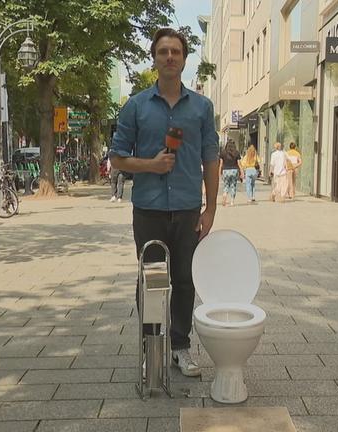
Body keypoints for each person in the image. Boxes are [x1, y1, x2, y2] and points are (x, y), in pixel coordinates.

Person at [109, 27, 219, 377]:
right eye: (163, 52)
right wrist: (150, 165)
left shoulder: (202, 107)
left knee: (185, 280)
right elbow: (116, 158)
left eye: (176, 52)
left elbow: (211, 157)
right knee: (151, 279)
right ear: (154, 59)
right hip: (149, 208)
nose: (169, 57)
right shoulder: (136, 106)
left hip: (188, 209)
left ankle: (181, 347)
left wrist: (211, 207)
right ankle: (151, 348)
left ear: (185, 59)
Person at [219, 141, 241, 206]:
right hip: (234, 170)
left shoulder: (223, 153)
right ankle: (232, 202)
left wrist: (219, 172)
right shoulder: (236, 152)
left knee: (226, 185)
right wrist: (242, 172)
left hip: (225, 170)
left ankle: (225, 194)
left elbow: (221, 163)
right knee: (233, 186)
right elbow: (239, 163)